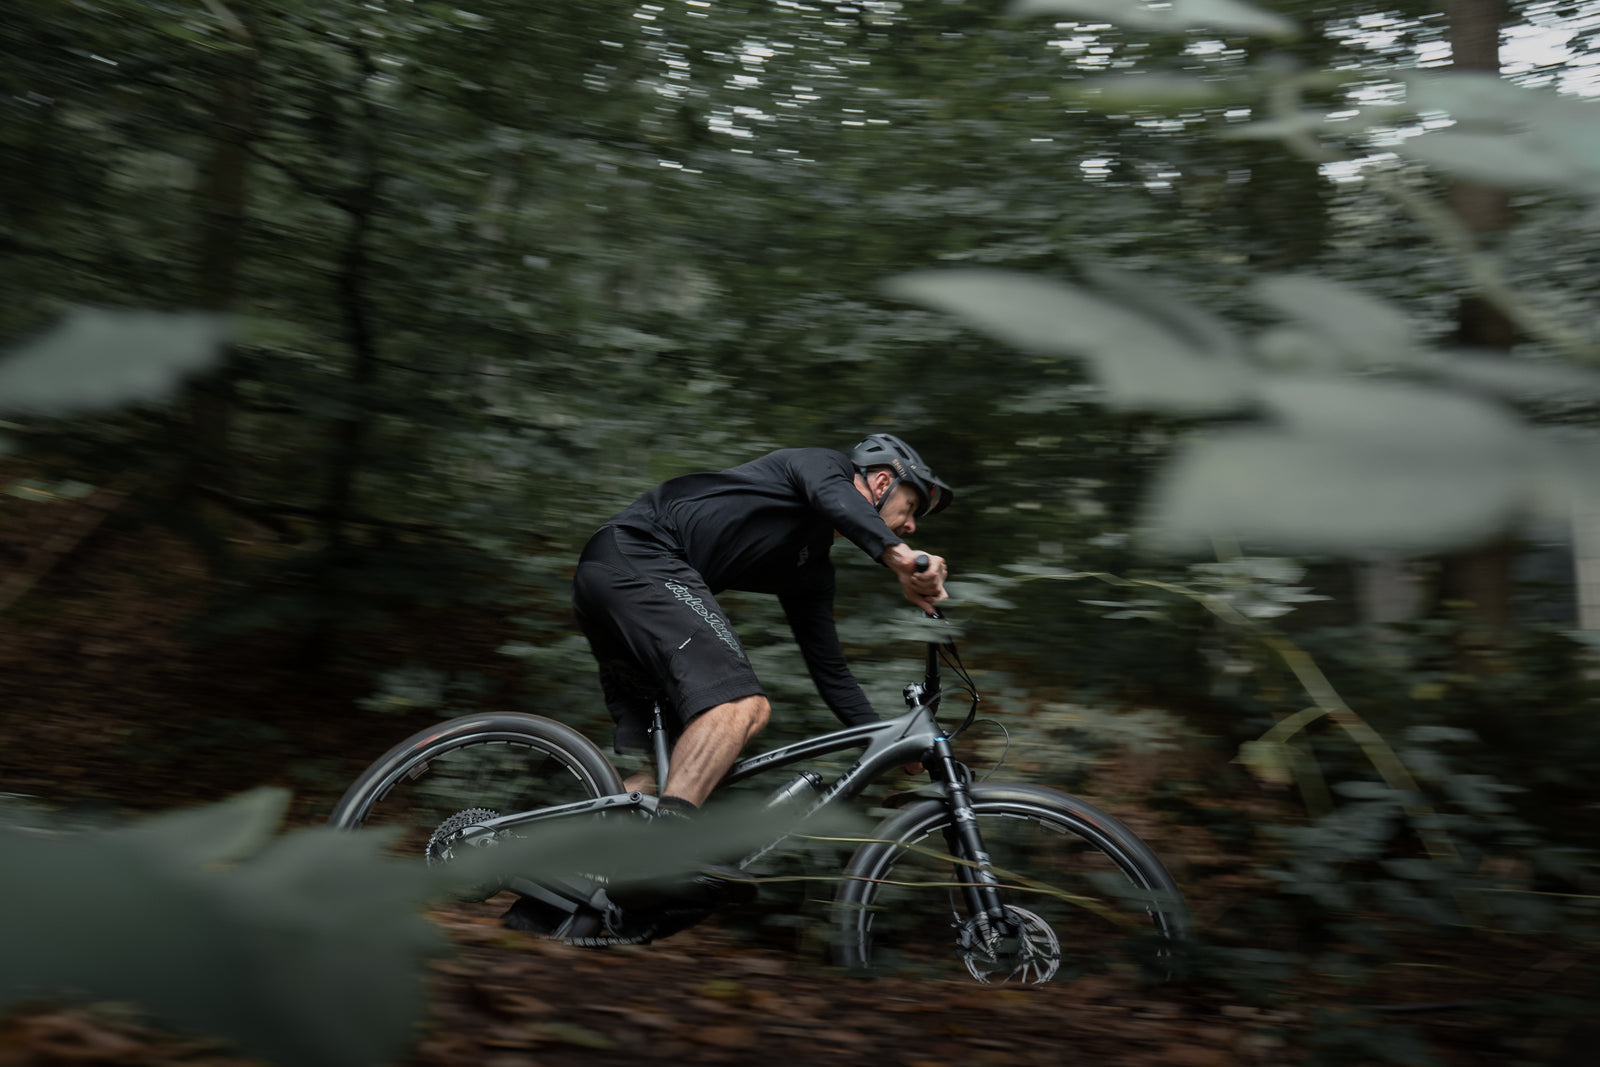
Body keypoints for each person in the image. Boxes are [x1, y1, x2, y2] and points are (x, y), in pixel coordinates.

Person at [571, 433, 953, 816]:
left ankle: (579, 861)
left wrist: (891, 743)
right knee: (739, 706)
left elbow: (831, 672)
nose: (910, 526)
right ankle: (660, 857)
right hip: (638, 555)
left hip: (616, 582)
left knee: (673, 764)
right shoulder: (820, 464)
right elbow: (831, 496)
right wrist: (901, 559)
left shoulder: (811, 569)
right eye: (910, 507)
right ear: (883, 482)